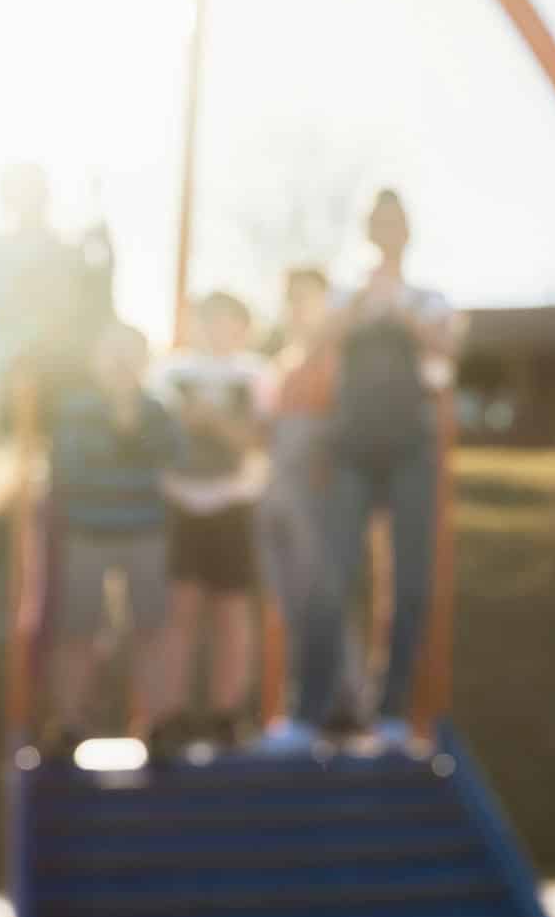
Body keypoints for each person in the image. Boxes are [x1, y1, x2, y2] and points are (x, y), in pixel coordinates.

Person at [300, 190, 459, 746]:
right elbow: (316, 339)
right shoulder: (348, 293)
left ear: (408, 231)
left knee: (411, 579)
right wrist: (364, 307)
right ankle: (320, 705)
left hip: (411, 446)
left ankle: (390, 707)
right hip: (351, 445)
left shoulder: (428, 297)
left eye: (397, 221)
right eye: (379, 222)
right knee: (333, 576)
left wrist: (403, 312)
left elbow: (448, 346)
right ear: (369, 230)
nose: (388, 230)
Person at [44, 323, 181, 753]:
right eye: (112, 353)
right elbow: (70, 467)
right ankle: (69, 722)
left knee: (152, 628)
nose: (121, 364)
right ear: (96, 360)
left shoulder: (158, 411)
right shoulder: (74, 411)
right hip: (88, 535)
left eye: (130, 354)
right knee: (77, 629)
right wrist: (124, 439)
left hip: (145, 535)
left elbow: (173, 456)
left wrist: (131, 430)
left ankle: (159, 722)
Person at [151, 291, 271, 749]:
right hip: (178, 505)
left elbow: (257, 440)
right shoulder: (169, 370)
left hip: (233, 507)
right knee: (176, 612)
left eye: (228, 320)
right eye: (209, 319)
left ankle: (227, 714)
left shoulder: (256, 373)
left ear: (243, 327)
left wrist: (214, 421)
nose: (217, 328)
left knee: (232, 613)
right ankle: (169, 713)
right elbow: (156, 432)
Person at [256, 266, 368, 734]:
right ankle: (309, 698)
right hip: (279, 498)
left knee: (326, 602)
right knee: (293, 602)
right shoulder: (280, 366)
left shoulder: (341, 361)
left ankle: (346, 701)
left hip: (319, 497)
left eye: (309, 297)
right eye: (292, 297)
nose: (299, 307)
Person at [0, 163, 113, 427]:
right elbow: (6, 309)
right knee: (30, 372)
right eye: (25, 195)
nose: (34, 203)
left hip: (72, 356)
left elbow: (98, 304)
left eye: (39, 194)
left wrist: (105, 256)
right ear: (9, 201)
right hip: (22, 360)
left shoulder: (71, 248)